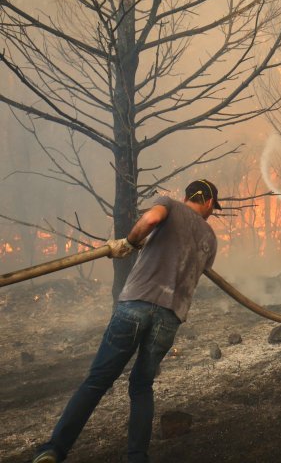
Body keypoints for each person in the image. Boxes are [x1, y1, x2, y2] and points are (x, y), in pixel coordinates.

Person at [32, 179, 220, 463]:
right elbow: (198, 266)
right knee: (142, 387)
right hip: (169, 318)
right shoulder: (210, 238)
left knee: (97, 381)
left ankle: (54, 449)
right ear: (207, 202)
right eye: (212, 208)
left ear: (188, 196)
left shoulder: (169, 204)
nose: (211, 213)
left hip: (137, 304)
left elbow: (152, 218)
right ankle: (136, 458)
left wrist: (130, 243)